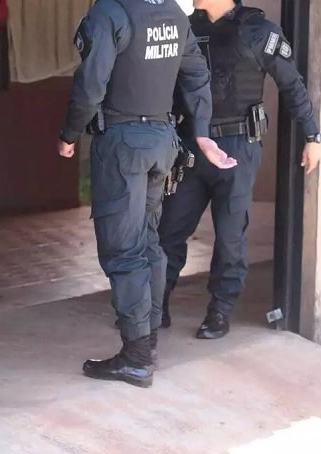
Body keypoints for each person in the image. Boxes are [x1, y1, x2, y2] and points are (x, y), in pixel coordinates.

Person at [57, 0, 237, 388]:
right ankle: (147, 343)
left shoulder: (110, 12)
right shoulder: (172, 14)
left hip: (123, 145)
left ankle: (136, 358)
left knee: (124, 250)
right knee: (148, 243)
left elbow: (91, 84)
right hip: (161, 141)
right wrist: (201, 131)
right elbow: (197, 73)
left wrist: (70, 133)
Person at [159, 0, 321, 339]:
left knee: (231, 235)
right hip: (192, 145)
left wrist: (312, 135)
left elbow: (291, 84)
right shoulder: (186, 28)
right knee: (170, 228)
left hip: (237, 146)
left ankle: (220, 310)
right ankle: (155, 304)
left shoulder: (258, 30)